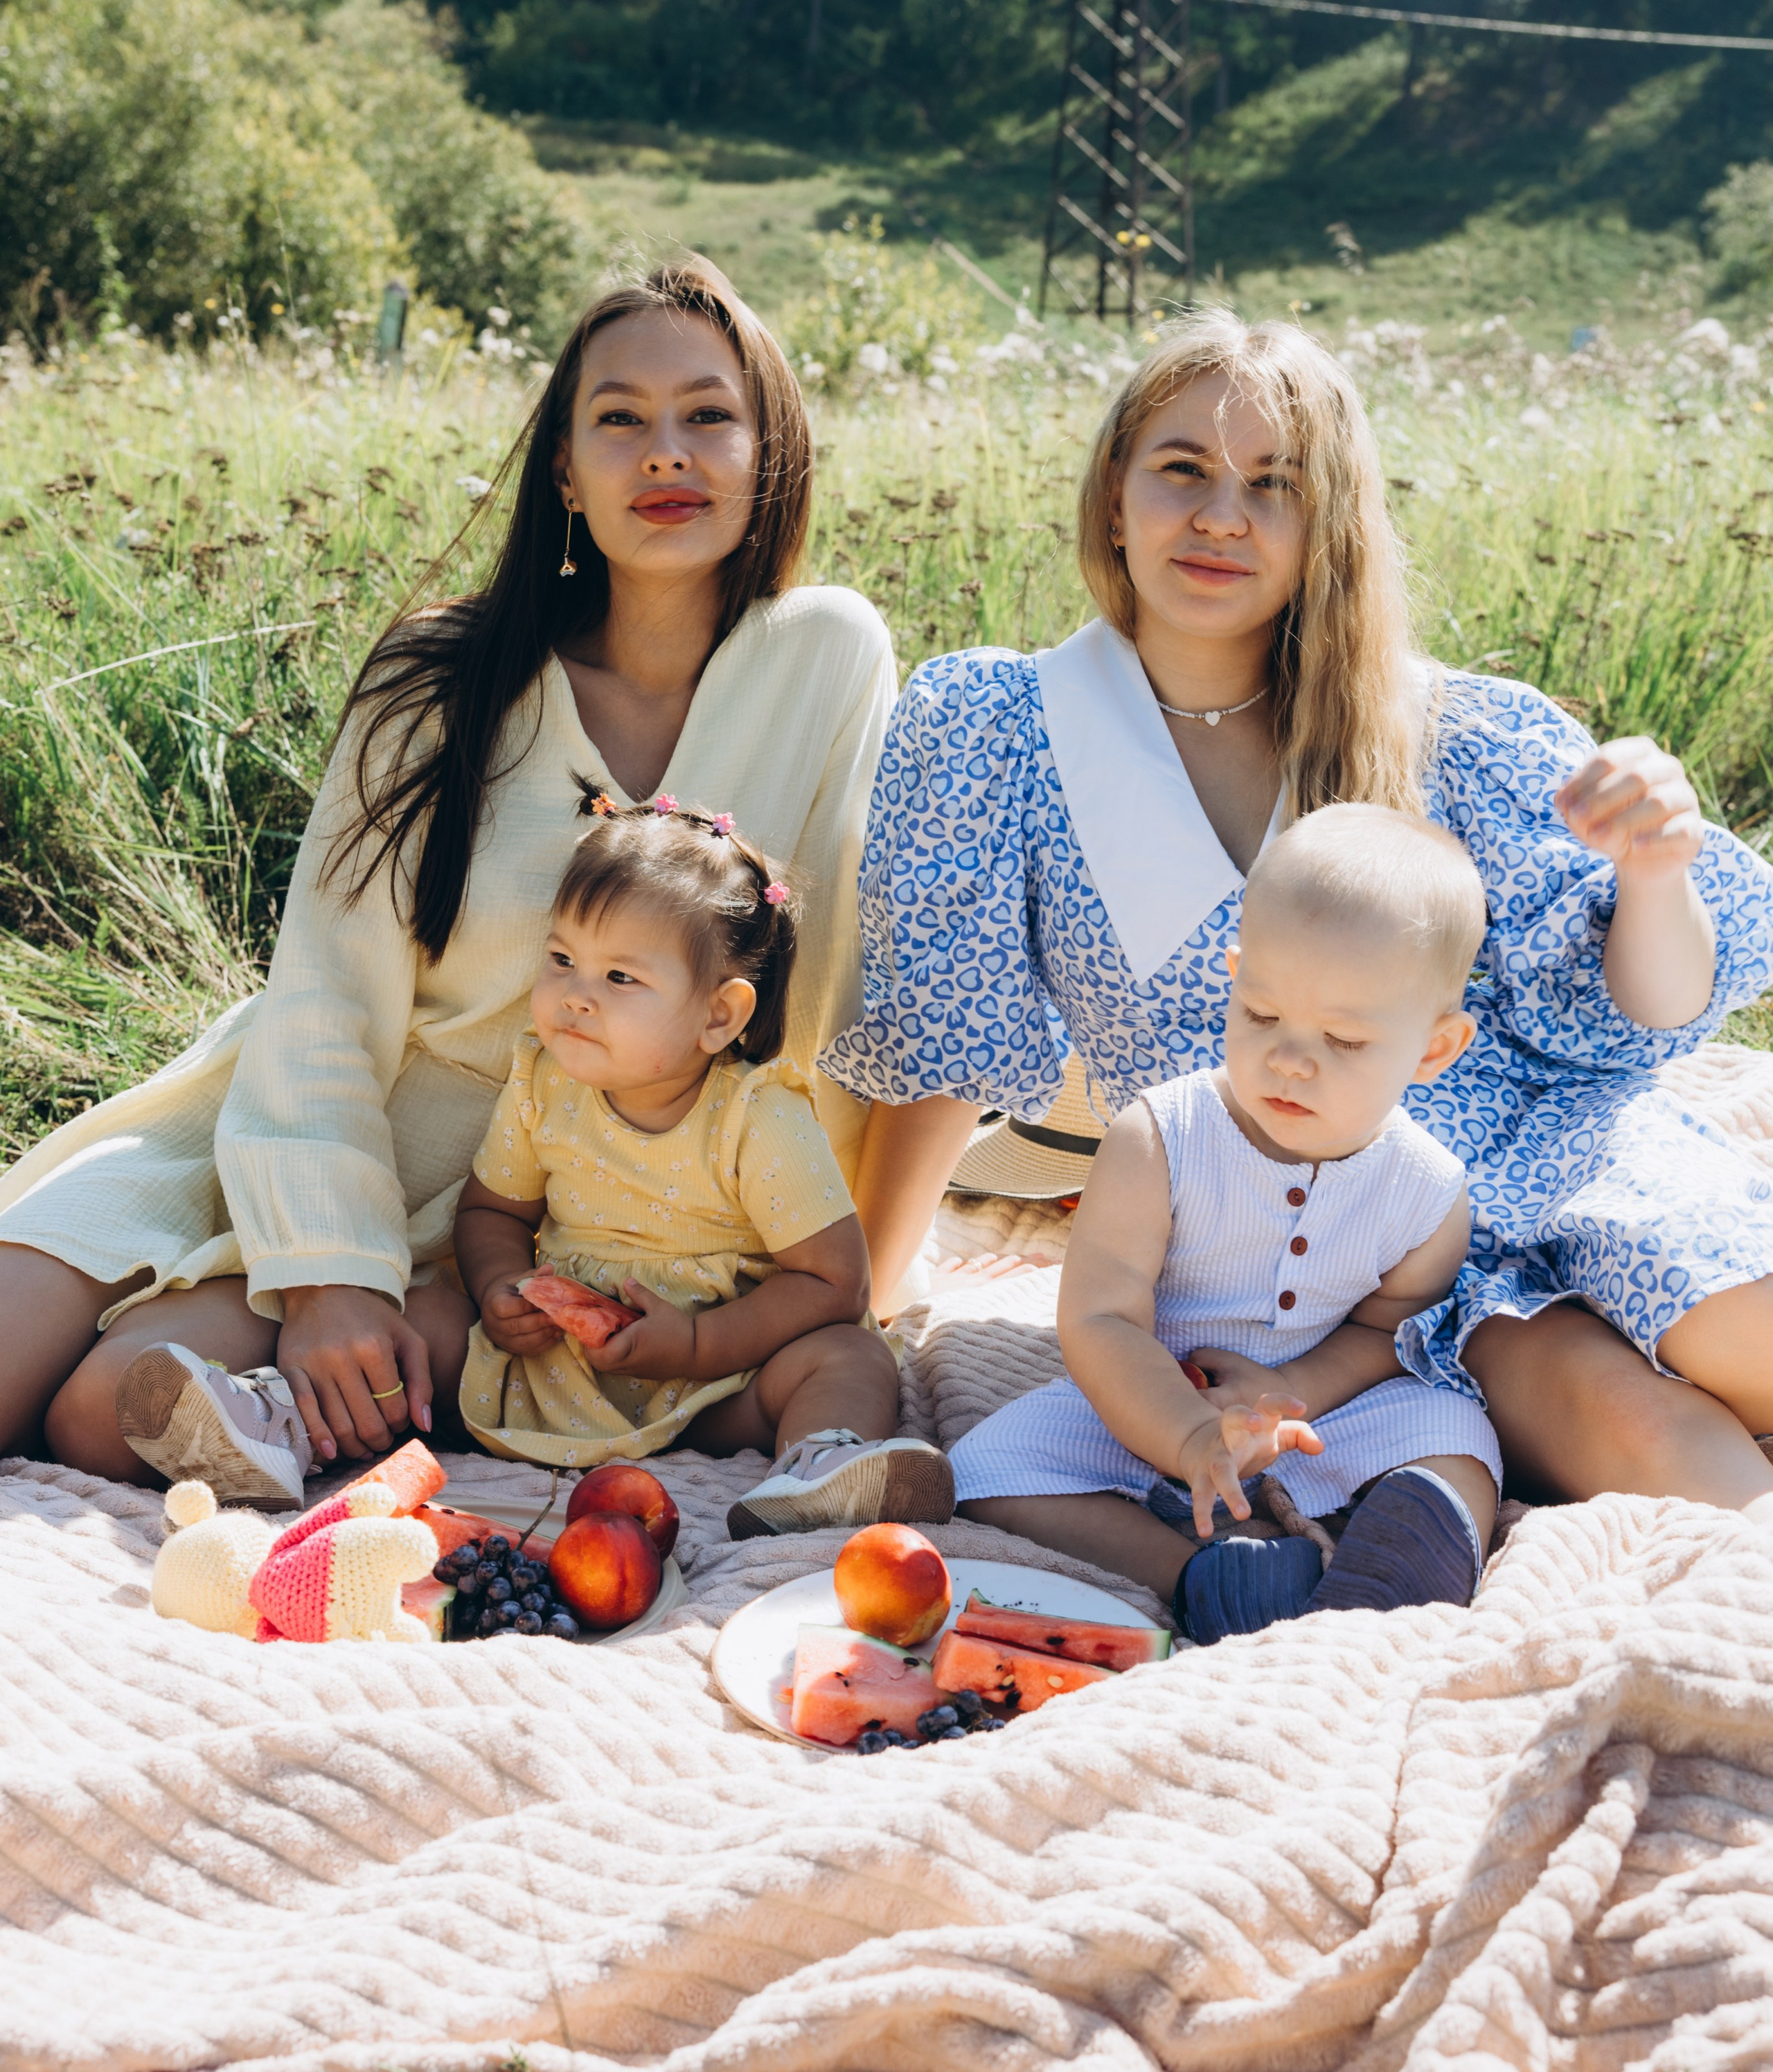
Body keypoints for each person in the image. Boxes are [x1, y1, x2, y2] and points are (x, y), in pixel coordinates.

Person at [826, 310, 1773, 1530]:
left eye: (1274, 487)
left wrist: (1654, 868)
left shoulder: (1441, 727)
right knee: (1695, 1477)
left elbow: (1644, 1014)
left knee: (1745, 1334)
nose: (1223, 516)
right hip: (1343, 1271)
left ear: (1324, 528)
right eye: (1184, 471)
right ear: (1115, 494)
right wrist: (861, 1303)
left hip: (1571, 1156)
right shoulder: (999, 724)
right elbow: (940, 1053)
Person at [0, 259, 896, 1504]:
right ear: (566, 473)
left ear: (773, 452)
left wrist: (816, 1272)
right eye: (620, 418)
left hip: (543, 1199)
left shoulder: (827, 657)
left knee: (105, 1415)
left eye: (709, 414)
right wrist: (328, 1275)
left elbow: (842, 980)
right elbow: (322, 992)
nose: (666, 453)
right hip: (312, 1115)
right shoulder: (440, 678)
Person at [954, 804, 1503, 1640]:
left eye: (1344, 1041)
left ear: (1434, 1050)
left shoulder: (1426, 1188)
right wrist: (1187, 1437)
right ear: (1235, 974)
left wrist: (1296, 1397)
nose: (1288, 1057)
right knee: (987, 1468)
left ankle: (1407, 1556)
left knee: (1457, 1431)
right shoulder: (1163, 1137)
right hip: (1151, 1392)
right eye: (1260, 1013)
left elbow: (1390, 1327)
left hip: (1322, 1414)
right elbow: (1101, 1317)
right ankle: (1205, 1571)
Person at [446, 794, 949, 1536]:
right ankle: (300, 1415)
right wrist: (499, 1289)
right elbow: (494, 1212)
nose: (575, 998)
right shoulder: (541, 1081)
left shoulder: (759, 1117)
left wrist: (695, 1346)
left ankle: (818, 1471)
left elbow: (836, 1284)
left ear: (719, 1015)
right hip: (556, 1364)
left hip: (723, 1381)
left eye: (620, 978)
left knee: (849, 1358)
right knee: (427, 1311)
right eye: (562, 960)